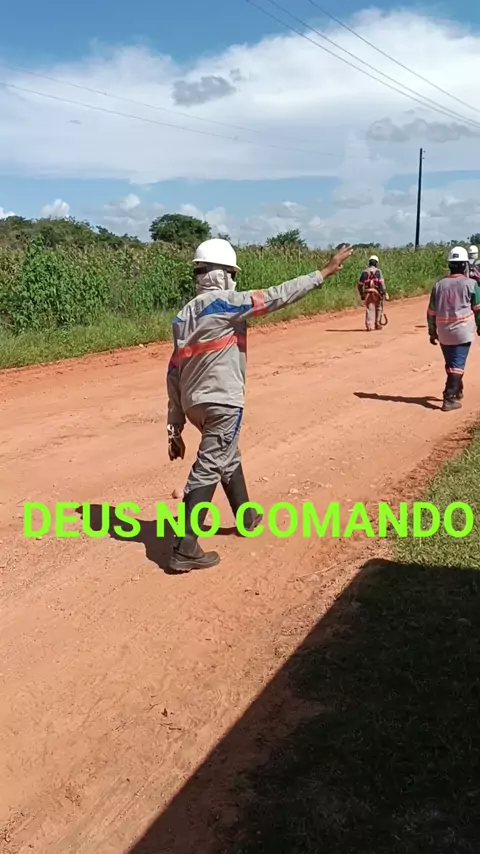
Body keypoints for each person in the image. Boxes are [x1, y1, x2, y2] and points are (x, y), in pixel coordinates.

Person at [166, 238, 353, 573]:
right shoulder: (225, 303)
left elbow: (174, 371)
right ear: (223, 275)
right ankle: (186, 546)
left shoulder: (182, 317)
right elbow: (276, 295)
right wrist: (323, 273)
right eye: (232, 275)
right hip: (222, 401)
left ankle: (246, 516)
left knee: (226, 454)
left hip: (193, 404)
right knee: (210, 463)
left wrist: (175, 425)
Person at [427, 245, 480, 411]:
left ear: (449, 264)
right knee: (457, 365)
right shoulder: (471, 284)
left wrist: (432, 331)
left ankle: (457, 390)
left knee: (451, 363)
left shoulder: (438, 285)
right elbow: (478, 309)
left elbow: (431, 312)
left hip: (443, 332)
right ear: (465, 265)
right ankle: (449, 397)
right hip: (462, 331)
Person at [357, 254, 388, 331]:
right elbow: (381, 283)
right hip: (376, 292)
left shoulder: (364, 272)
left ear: (369, 262)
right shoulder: (378, 271)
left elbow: (360, 284)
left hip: (367, 292)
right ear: (376, 263)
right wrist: (384, 292)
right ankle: (377, 323)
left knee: (369, 308)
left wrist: (361, 294)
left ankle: (368, 325)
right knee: (378, 307)